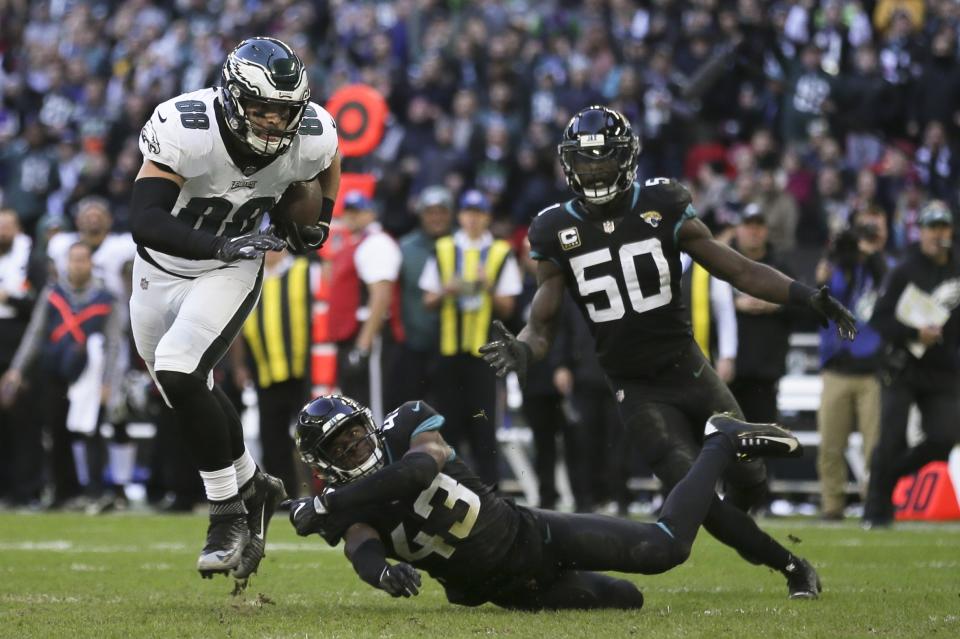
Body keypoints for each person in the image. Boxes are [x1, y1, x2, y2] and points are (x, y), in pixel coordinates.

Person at [480, 106, 859, 598]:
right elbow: (541, 321)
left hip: (689, 368)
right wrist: (526, 350)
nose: (594, 173)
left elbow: (738, 269)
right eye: (586, 163)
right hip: (635, 389)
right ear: (569, 165)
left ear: (627, 159)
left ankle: (743, 517)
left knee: (751, 477)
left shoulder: (661, 202)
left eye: (603, 162)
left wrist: (806, 295)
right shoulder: (555, 229)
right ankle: (791, 566)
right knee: (698, 501)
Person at [128, 36, 340, 580]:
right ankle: (257, 487)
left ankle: (225, 512)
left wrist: (323, 218)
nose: (273, 123)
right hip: (161, 266)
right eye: (261, 108)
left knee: (180, 366)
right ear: (231, 97)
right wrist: (218, 244)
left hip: (234, 264)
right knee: (181, 388)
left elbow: (330, 157)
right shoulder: (187, 126)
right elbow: (145, 218)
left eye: (284, 111)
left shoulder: (311, 134)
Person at [285, 394, 804, 609]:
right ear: (324, 460)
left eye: (356, 433)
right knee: (627, 600)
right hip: (506, 594)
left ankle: (719, 439)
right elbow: (361, 546)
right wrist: (380, 575)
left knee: (664, 550)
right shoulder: (346, 507)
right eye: (341, 446)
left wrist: (328, 504)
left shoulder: (407, 428)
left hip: (532, 536)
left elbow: (418, 470)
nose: (355, 446)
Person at [1, 242, 122, 508]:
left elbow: (114, 343)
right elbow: (35, 333)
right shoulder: (52, 293)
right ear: (66, 263)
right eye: (74, 260)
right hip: (54, 371)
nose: (78, 265)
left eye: (83, 260)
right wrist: (17, 370)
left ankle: (95, 491)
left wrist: (108, 382)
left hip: (90, 374)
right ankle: (63, 492)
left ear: (91, 263)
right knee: (56, 431)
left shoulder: (106, 297)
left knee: (92, 432)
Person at [863, 201, 960, 528]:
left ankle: (888, 479)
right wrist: (913, 332)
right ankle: (876, 511)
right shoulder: (903, 270)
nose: (938, 234)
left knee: (944, 437)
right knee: (891, 439)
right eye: (932, 228)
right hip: (903, 365)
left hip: (943, 368)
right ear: (920, 232)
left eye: (943, 227)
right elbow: (879, 319)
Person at [419, 190, 523, 487]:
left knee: (483, 423)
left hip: (483, 353)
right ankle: (451, 488)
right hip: (449, 350)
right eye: (468, 213)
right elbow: (427, 299)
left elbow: (508, 306)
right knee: (449, 423)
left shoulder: (501, 252)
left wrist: (488, 287)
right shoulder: (444, 248)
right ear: (461, 216)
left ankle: (489, 490)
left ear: (486, 217)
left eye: (479, 213)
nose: (473, 219)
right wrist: (446, 290)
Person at [814, 212, 890, 520]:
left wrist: (873, 256)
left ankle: (873, 503)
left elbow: (887, 287)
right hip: (837, 368)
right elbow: (821, 290)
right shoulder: (838, 264)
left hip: (872, 371)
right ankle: (832, 506)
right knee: (831, 444)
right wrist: (837, 252)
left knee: (876, 447)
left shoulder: (886, 266)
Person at [231, 248, 314, 497]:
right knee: (272, 436)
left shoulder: (306, 271)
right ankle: (285, 494)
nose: (270, 251)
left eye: (275, 245)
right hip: (265, 370)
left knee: (311, 430)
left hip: (304, 369)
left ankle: (320, 489)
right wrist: (239, 365)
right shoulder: (248, 278)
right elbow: (238, 324)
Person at [328, 191, 402, 424]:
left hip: (368, 338)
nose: (352, 216)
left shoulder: (376, 243)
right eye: (348, 211)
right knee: (357, 410)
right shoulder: (353, 243)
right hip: (351, 337)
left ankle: (382, 459)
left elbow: (381, 296)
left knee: (373, 412)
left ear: (371, 213)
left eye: (358, 211)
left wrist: (363, 346)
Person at [388, 186, 455, 408]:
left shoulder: (463, 244)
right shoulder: (405, 247)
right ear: (421, 215)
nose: (436, 218)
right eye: (430, 212)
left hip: (454, 344)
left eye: (442, 212)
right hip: (414, 343)